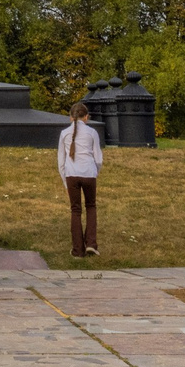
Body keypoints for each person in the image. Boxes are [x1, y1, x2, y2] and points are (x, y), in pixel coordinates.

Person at [57, 98, 104, 258]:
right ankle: (91, 243)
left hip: (71, 173)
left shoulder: (64, 134)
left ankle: (77, 249)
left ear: (71, 117)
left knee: (75, 210)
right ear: (86, 117)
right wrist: (95, 171)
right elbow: (98, 158)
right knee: (91, 206)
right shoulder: (92, 133)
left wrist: (65, 180)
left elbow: (61, 160)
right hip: (89, 173)